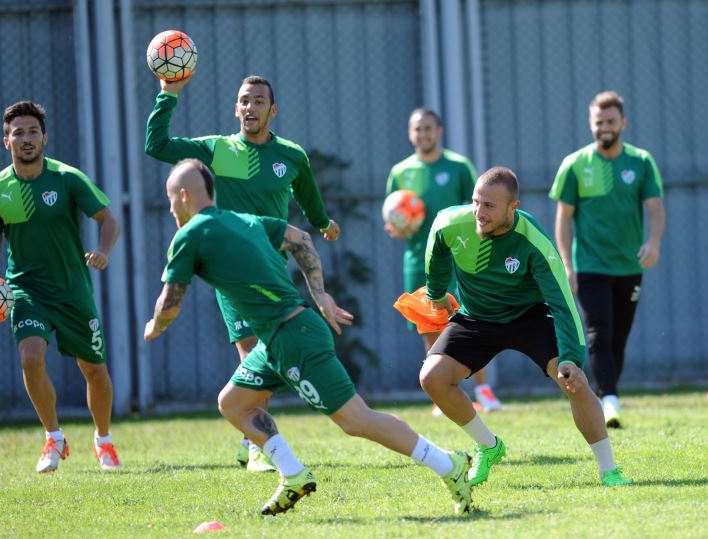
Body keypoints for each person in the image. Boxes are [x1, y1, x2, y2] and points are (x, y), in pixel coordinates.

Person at [144, 159, 473, 515]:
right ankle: (293, 475)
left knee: (356, 420)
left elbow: (170, 302)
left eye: (170, 199)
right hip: (278, 338)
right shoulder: (243, 220)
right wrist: (320, 295)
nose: (170, 207)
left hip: (293, 337)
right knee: (234, 402)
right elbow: (300, 238)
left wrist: (155, 326)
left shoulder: (189, 235)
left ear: (182, 195)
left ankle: (448, 465)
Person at [145, 74, 340, 470]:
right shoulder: (217, 151)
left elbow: (306, 194)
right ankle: (258, 447)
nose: (250, 108)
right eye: (243, 101)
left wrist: (322, 222)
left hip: (274, 267)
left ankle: (249, 432)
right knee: (251, 350)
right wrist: (168, 94)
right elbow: (157, 145)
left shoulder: (290, 155)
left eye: (258, 101)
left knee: (264, 355)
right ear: (235, 109)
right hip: (233, 275)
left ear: (273, 110)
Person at [419, 166, 631, 488]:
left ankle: (609, 470)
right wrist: (435, 292)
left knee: (574, 382)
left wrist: (572, 358)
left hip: (528, 316)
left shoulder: (534, 242)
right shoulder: (452, 223)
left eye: (489, 205)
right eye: (476, 202)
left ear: (513, 207)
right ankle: (489, 446)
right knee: (431, 378)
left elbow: (562, 303)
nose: (479, 212)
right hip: (476, 316)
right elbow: (436, 246)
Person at [0, 101, 122, 473]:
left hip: (73, 290)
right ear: (6, 141)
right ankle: (54, 437)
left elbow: (108, 219)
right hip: (26, 290)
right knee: (31, 358)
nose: (26, 138)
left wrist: (102, 249)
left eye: (33, 131)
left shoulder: (68, 178)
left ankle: (104, 441)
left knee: (95, 371)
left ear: (45, 137)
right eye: (17, 132)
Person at [549, 91, 665, 428]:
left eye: (611, 121)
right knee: (598, 331)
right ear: (591, 124)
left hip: (629, 267)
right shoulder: (575, 165)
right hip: (590, 266)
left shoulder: (641, 162)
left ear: (623, 123)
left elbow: (655, 208)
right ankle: (609, 402)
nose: (605, 127)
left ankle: (607, 394)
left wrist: (653, 243)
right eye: (599, 122)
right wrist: (568, 265)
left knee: (619, 336)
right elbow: (563, 218)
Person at [385, 108, 502, 414]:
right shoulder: (400, 172)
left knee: (473, 321)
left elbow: (479, 213)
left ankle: (484, 391)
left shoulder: (459, 167)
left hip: (460, 259)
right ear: (411, 134)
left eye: (428, 129)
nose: (423, 134)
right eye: (417, 129)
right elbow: (393, 219)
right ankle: (440, 394)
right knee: (430, 324)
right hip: (419, 260)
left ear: (439, 132)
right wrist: (399, 226)